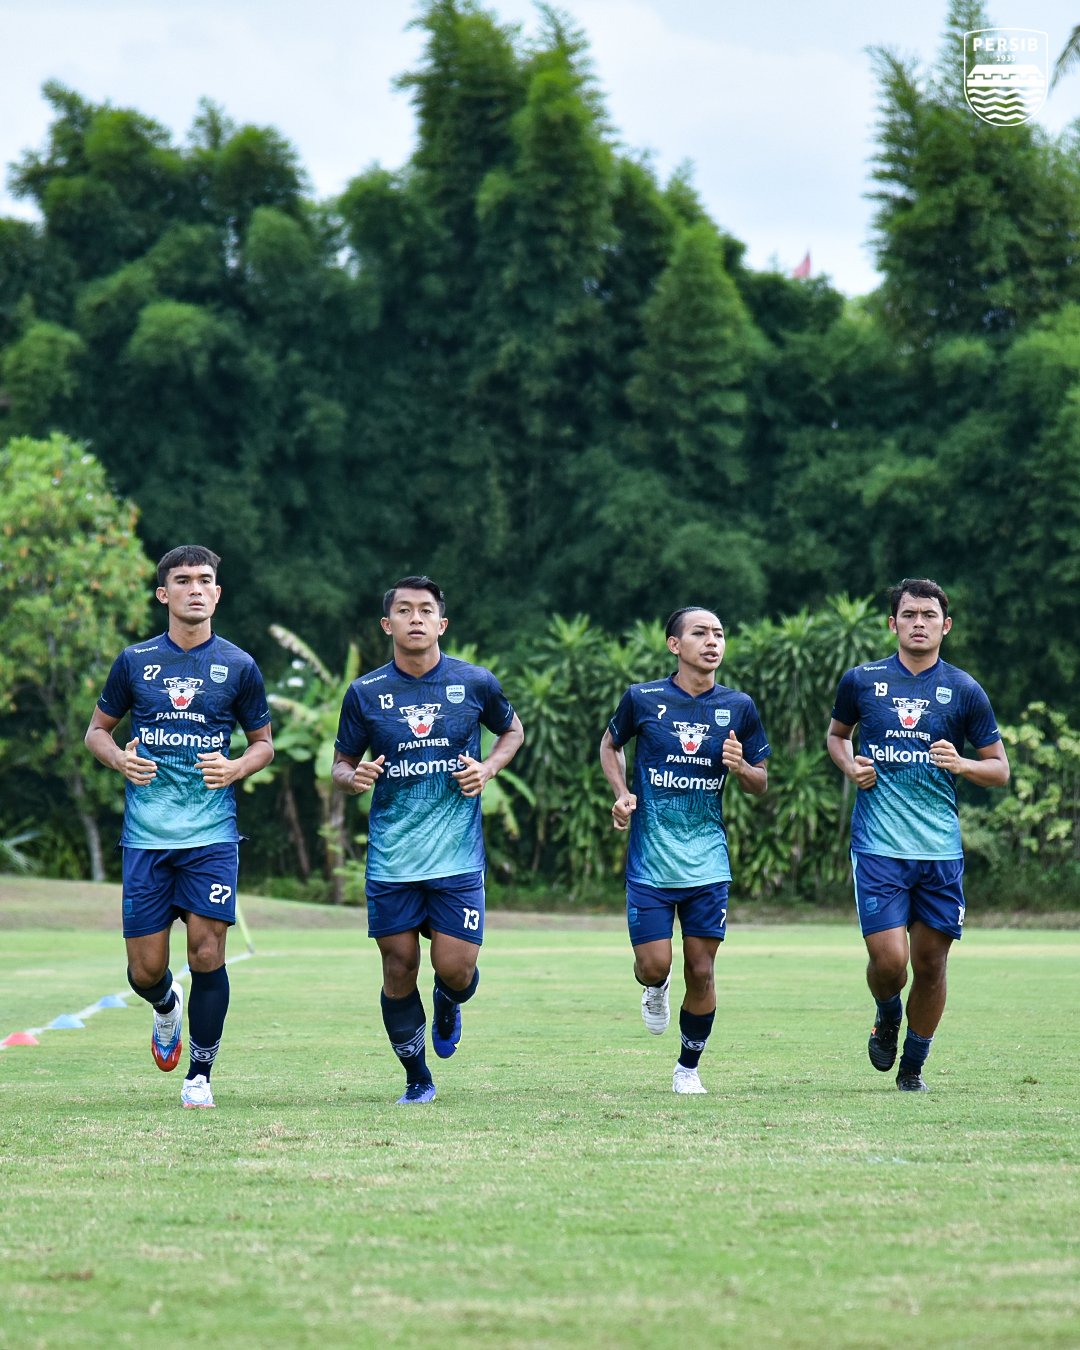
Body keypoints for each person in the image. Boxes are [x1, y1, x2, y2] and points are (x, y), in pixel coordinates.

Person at [84, 545, 273, 1109]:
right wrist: (119, 758)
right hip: (146, 837)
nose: (195, 588)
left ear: (217, 594)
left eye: (206, 580)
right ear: (164, 594)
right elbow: (97, 731)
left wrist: (237, 765)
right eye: (183, 580)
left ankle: (200, 1075)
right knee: (144, 970)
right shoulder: (135, 662)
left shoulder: (239, 666)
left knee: (208, 954)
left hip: (211, 835)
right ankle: (166, 1006)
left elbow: (263, 744)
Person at [331, 576, 524, 1105]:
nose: (415, 618)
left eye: (425, 611)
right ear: (386, 624)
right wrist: (355, 778)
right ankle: (418, 1079)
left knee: (456, 970)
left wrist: (486, 769)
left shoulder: (475, 683)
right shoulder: (365, 693)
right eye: (404, 610)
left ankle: (448, 999)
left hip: (456, 859)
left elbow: (513, 731)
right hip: (393, 859)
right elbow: (341, 765)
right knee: (397, 968)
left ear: (441, 624)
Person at [826, 577, 1010, 1092]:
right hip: (879, 846)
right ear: (893, 623)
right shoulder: (861, 681)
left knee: (930, 965)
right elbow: (837, 736)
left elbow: (999, 769)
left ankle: (913, 1067)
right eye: (909, 615)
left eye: (929, 616)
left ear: (945, 626)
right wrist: (850, 766)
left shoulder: (965, 689)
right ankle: (887, 1014)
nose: (919, 624)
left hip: (939, 851)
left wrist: (964, 765)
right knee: (891, 962)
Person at [600, 607, 770, 1095]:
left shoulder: (738, 706)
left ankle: (688, 1069)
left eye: (718, 633)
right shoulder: (643, 698)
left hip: (708, 860)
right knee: (655, 965)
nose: (712, 641)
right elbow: (610, 745)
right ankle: (654, 988)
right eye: (700, 633)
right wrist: (621, 792)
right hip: (651, 860)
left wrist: (742, 769)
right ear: (675, 645)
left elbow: (761, 781)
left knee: (702, 968)